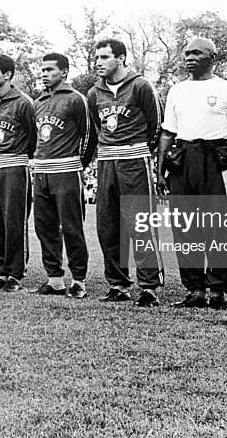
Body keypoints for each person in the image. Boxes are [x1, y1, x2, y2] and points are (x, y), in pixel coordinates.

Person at [157, 38, 227, 310]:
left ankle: (217, 292)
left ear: (213, 57)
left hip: (216, 160)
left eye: (196, 53)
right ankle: (195, 290)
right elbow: (167, 133)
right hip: (183, 159)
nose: (189, 57)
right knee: (184, 227)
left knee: (217, 227)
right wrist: (160, 171)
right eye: (187, 53)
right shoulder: (177, 90)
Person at [86, 38, 164, 307]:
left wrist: (139, 150)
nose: (98, 63)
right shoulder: (94, 93)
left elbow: (156, 126)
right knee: (108, 225)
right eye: (97, 58)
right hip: (107, 162)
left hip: (135, 160)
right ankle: (117, 284)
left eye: (104, 57)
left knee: (140, 223)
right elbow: (98, 127)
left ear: (120, 58)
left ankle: (149, 286)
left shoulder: (140, 85)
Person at [30, 53, 97, 298]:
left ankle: (78, 280)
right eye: (43, 69)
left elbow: (90, 135)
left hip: (67, 171)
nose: (44, 73)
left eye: (50, 69)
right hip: (42, 172)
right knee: (45, 227)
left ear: (64, 72)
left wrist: (79, 163)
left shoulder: (76, 99)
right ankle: (55, 279)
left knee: (72, 227)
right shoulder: (38, 102)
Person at [0, 55, 37, 292]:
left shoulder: (23, 102)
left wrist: (22, 156)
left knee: (13, 220)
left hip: (14, 165)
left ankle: (15, 274)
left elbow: (33, 136)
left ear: (7, 75)